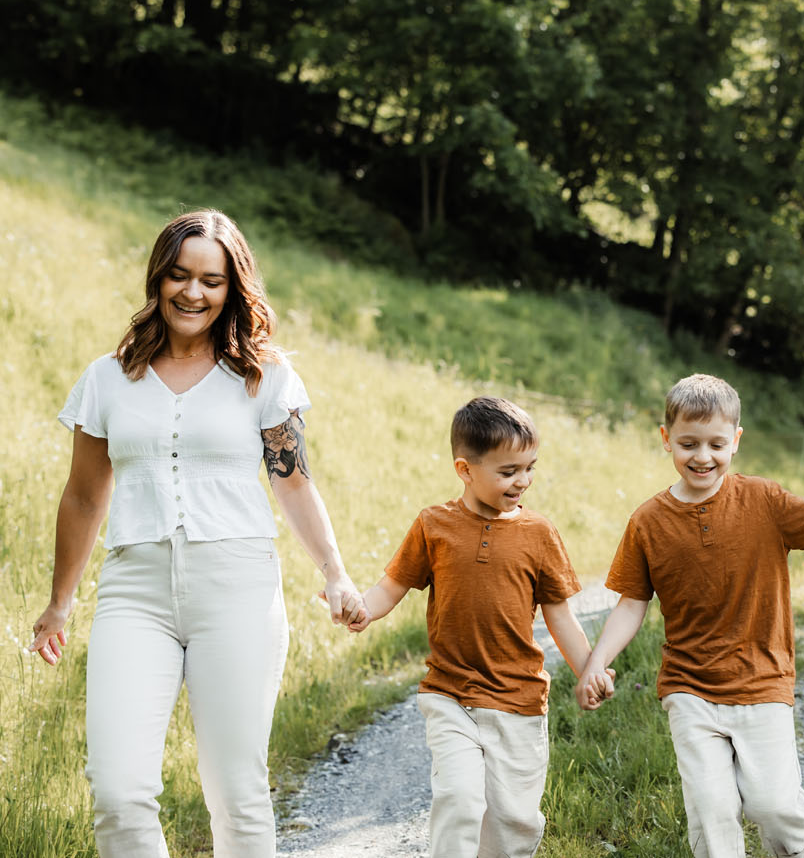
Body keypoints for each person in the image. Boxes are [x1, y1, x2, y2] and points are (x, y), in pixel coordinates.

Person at [27, 209, 366, 857]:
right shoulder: (108, 378)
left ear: (232, 288)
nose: (192, 292)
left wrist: (334, 573)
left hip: (236, 589)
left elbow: (292, 481)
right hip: (135, 593)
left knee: (236, 791)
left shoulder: (262, 377)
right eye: (179, 276)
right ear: (158, 279)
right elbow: (82, 495)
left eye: (211, 280)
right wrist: (59, 601)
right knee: (119, 792)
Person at [574, 373, 804, 858]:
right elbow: (632, 603)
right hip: (688, 688)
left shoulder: (764, 500)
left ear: (735, 441)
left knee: (775, 807)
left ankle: (801, 849)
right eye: (688, 443)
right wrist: (596, 662)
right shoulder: (647, 522)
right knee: (712, 812)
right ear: (665, 440)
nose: (702, 456)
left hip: (762, 682)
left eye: (716, 443)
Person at [346, 395, 597, 858]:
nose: (522, 481)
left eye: (530, 467)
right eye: (508, 472)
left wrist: (590, 668)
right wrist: (362, 609)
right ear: (465, 470)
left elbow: (560, 615)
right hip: (450, 695)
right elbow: (391, 586)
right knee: (459, 801)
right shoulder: (434, 526)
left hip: (518, 701)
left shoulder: (539, 534)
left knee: (513, 822)